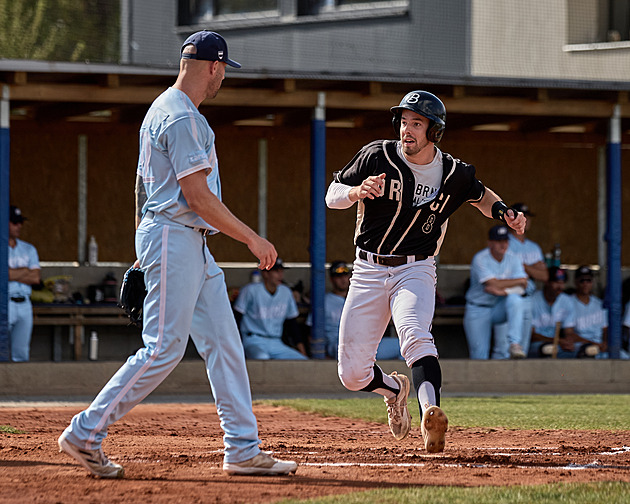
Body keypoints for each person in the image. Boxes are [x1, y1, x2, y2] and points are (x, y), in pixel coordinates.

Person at [58, 31, 297, 478]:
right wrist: (252, 239)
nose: (223, 76)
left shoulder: (161, 108)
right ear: (213, 66)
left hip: (182, 241)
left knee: (225, 344)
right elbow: (197, 197)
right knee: (163, 347)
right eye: (224, 69)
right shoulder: (183, 117)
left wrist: (138, 249)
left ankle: (243, 448)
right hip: (175, 236)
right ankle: (86, 431)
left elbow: (141, 189)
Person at [325, 90, 526, 453]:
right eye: (403, 121)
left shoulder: (454, 173)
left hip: (414, 269)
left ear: (434, 131)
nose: (407, 129)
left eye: (416, 123)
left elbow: (481, 196)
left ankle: (429, 411)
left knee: (416, 335)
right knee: (351, 375)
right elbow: (331, 194)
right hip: (368, 269)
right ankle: (393, 389)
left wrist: (505, 213)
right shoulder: (377, 155)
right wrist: (355, 191)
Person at [307, 261, 402, 360]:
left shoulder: (359, 297)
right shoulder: (324, 301)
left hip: (367, 341)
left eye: (345, 275)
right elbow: (311, 332)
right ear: (331, 279)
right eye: (338, 276)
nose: (343, 279)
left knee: (402, 346)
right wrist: (320, 355)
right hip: (339, 343)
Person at [463, 225, 528, 360]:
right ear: (490, 243)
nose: (502, 245)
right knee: (479, 356)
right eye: (498, 241)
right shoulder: (480, 258)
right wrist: (513, 282)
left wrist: (503, 292)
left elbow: (524, 284)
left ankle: (515, 343)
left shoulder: (513, 258)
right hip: (478, 308)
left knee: (516, 300)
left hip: (499, 307)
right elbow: (492, 284)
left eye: (505, 241)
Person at [233, 258, 308, 360]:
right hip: (253, 340)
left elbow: (292, 324)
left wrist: (302, 352)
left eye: (281, 271)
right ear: (265, 273)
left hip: (276, 342)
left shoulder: (286, 292)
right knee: (262, 357)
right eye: (276, 271)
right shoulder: (251, 290)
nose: (280, 275)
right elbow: (236, 319)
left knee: (302, 361)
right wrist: (235, 347)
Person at [501, 202, 548, 356]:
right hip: (509, 297)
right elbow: (504, 273)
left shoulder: (533, 247)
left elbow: (544, 276)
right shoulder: (504, 242)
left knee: (523, 349)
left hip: (529, 297)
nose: (526, 219)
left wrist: (522, 266)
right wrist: (532, 267)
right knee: (504, 349)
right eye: (523, 215)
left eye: (528, 216)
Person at [7, 205, 41, 362]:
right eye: (14, 222)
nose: (18, 226)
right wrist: (24, 271)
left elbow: (35, 278)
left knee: (21, 353)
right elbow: (3, 275)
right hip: (5, 302)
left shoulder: (29, 249)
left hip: (25, 303)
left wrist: (12, 273)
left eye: (20, 222)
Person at [528, 267, 580, 358]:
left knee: (585, 350)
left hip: (557, 345)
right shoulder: (532, 300)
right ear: (546, 282)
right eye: (556, 282)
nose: (560, 287)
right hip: (535, 346)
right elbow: (531, 336)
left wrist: (568, 341)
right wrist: (556, 340)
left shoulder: (567, 301)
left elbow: (569, 331)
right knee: (547, 349)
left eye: (562, 283)